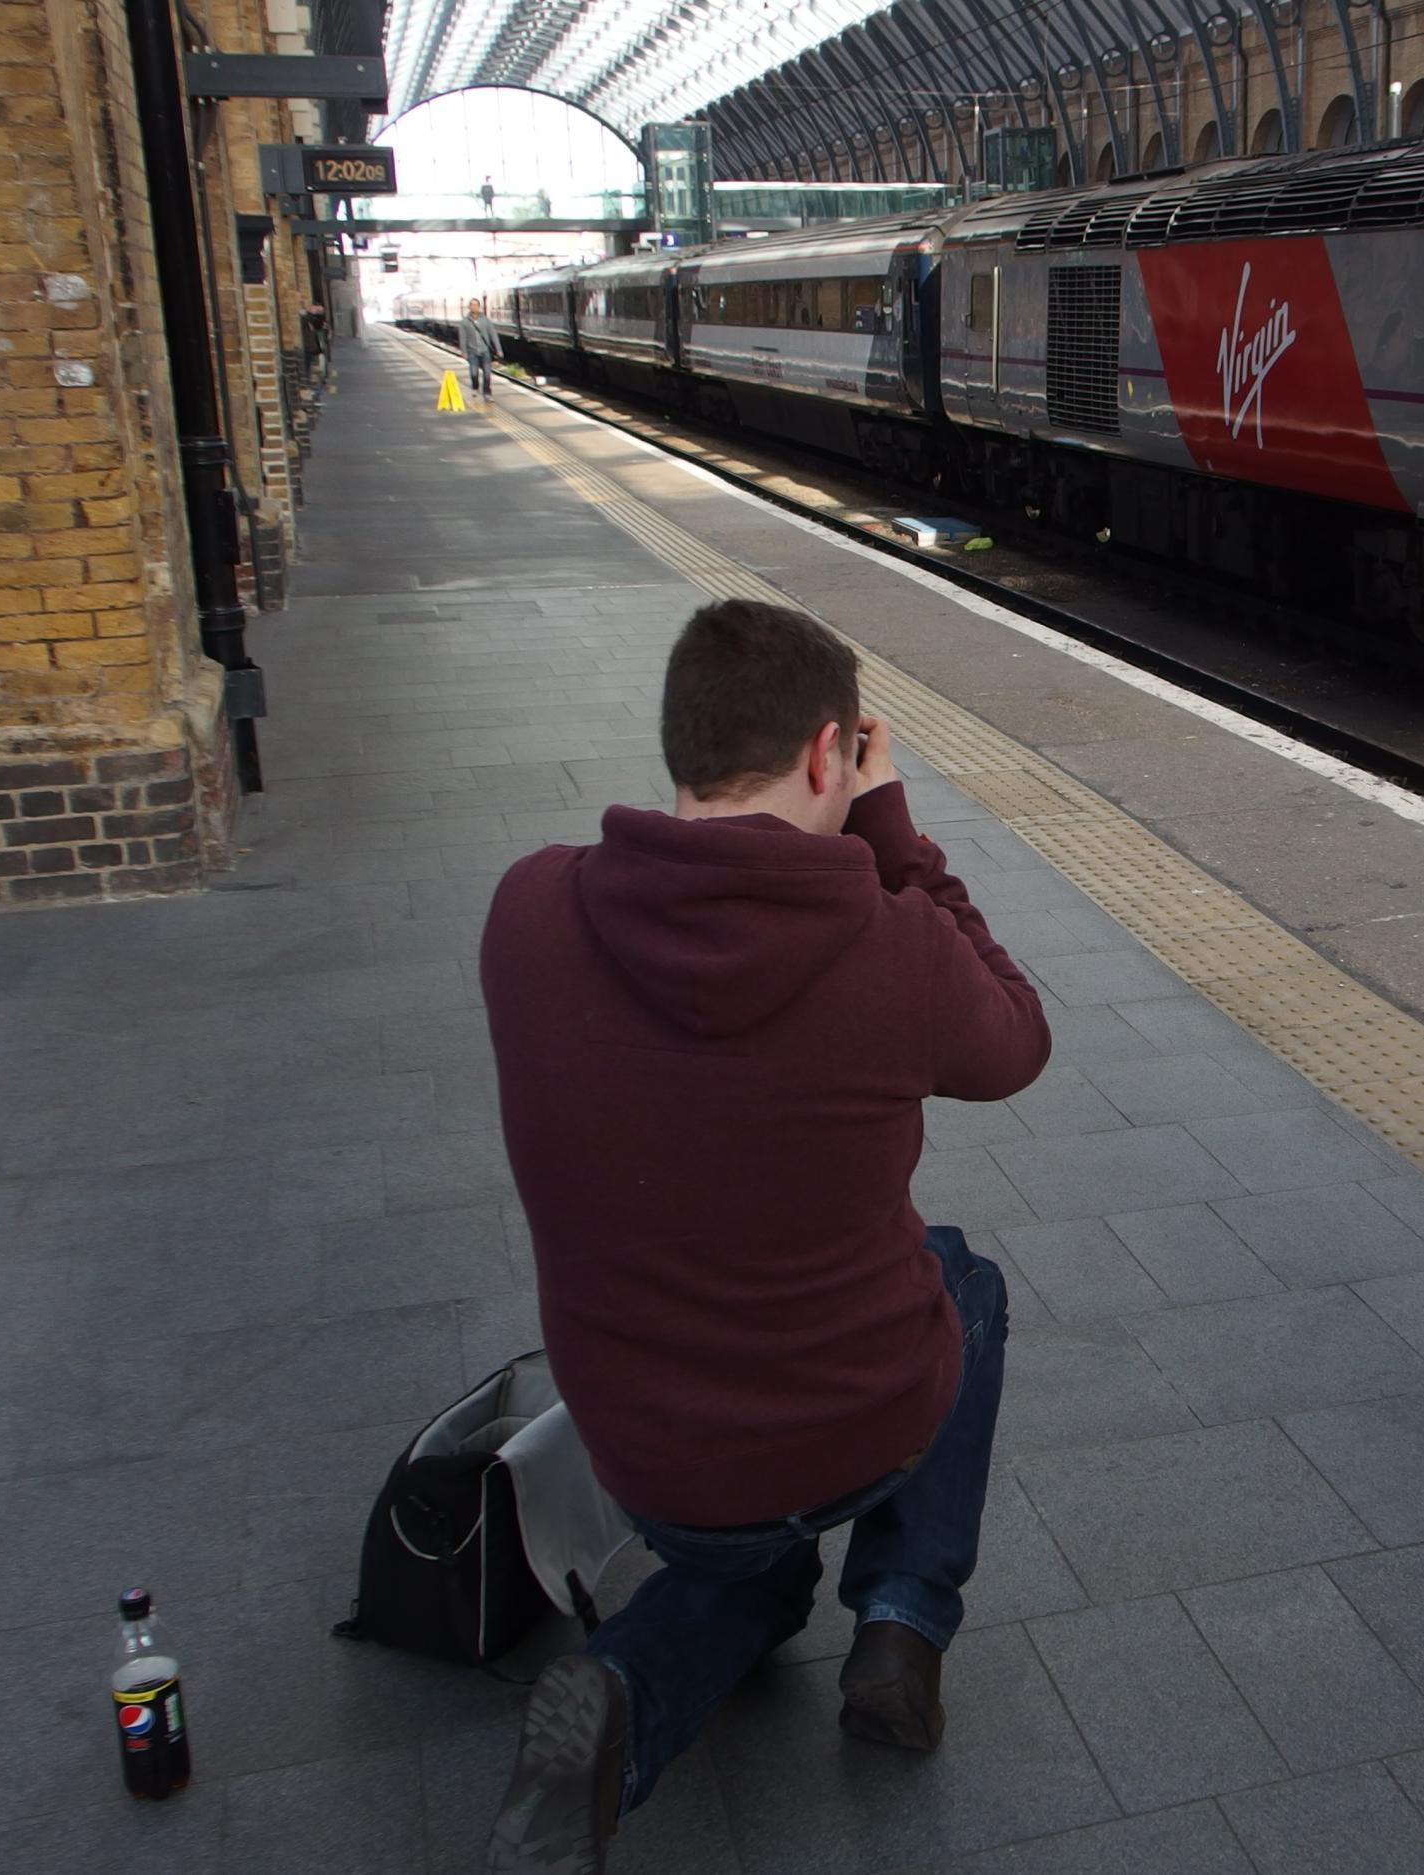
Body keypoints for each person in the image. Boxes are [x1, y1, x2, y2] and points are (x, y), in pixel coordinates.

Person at [478, 598, 1050, 1874]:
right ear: (824, 755)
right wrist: (892, 825)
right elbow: (1017, 1039)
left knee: (744, 1564)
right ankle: (901, 1618)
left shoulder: (526, 912)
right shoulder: (891, 947)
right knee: (966, 1282)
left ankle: (625, 1694)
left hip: (637, 1450)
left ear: (681, 750)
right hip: (850, 1427)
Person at [458, 297, 500, 401]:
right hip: (472, 351)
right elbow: (462, 337)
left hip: (485, 351)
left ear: (479, 307)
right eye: (472, 305)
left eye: (476, 305)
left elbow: (493, 334)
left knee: (487, 373)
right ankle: (475, 387)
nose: (474, 307)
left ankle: (487, 393)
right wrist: (463, 351)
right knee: (473, 373)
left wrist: (499, 349)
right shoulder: (464, 322)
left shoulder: (485, 320)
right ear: (469, 307)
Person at [301, 301, 331, 389]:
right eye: (317, 310)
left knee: (312, 366)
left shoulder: (313, 318)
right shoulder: (306, 317)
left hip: (313, 346)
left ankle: (317, 382)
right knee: (309, 367)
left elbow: (318, 325)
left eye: (320, 312)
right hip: (309, 346)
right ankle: (310, 385)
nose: (318, 313)